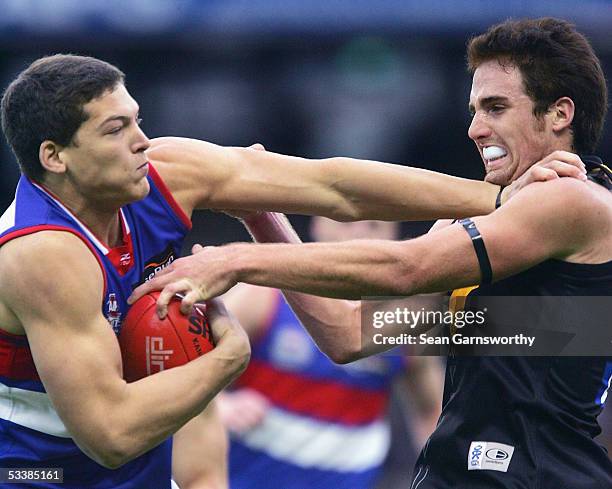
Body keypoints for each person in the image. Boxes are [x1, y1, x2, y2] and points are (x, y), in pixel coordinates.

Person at [0, 52, 576, 488]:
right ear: (55, 156)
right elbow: (354, 324)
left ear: (561, 116)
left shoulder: (578, 210)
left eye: (495, 109)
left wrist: (492, 201)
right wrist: (231, 350)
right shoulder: (45, 253)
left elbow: (377, 240)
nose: (143, 142)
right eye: (114, 130)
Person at [131, 18, 612, 488]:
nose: (475, 129)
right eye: (473, 110)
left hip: (539, 474)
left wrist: (233, 261)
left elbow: (405, 267)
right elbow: (347, 334)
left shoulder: (574, 197)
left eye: (495, 107)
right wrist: (262, 218)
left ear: (559, 114)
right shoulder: (487, 224)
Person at [219, 218, 443, 489]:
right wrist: (222, 406)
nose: (359, 232)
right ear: (317, 224)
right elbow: (186, 366)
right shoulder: (264, 295)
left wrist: (438, 476)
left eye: (374, 226)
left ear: (394, 238)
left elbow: (433, 410)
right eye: (347, 221)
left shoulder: (404, 321)